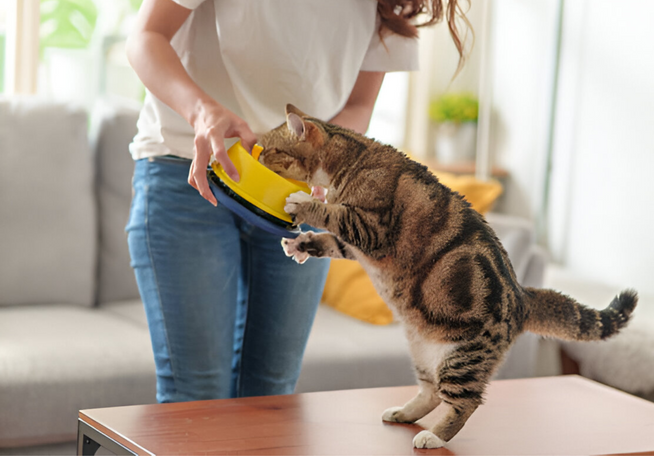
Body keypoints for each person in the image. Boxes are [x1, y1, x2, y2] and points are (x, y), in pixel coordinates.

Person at [125, 0, 469, 403]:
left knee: (273, 396)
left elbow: (358, 105)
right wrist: (201, 110)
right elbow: (146, 37)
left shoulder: (395, 4)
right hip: (190, 170)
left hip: (300, 193)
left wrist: (322, 158)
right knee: (195, 397)